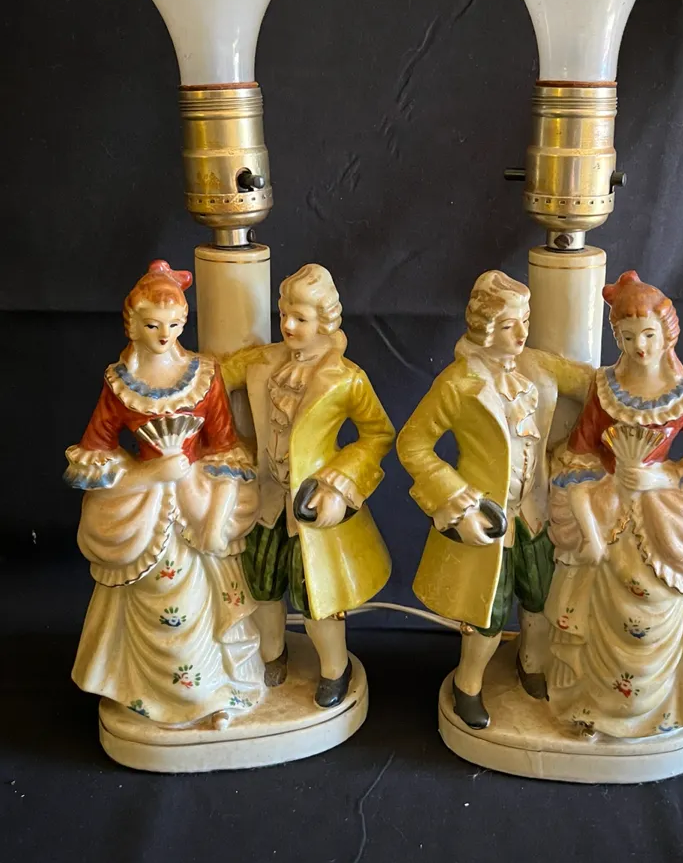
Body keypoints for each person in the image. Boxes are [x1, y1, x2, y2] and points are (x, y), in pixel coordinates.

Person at [545, 270, 683, 737]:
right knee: (597, 600)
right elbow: (579, 454)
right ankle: (590, 709)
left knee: (660, 599)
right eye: (629, 336)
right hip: (609, 505)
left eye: (649, 335)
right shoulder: (604, 388)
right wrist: (599, 494)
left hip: (660, 515)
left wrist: (663, 475)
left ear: (667, 334)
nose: (640, 347)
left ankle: (663, 710)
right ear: (616, 337)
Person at [65, 261, 262, 729]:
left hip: (196, 496)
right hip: (147, 505)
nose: (164, 335)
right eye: (153, 325)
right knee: (151, 596)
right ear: (132, 324)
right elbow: (95, 449)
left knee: (204, 599)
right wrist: (148, 474)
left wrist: (215, 513)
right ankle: (147, 694)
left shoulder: (203, 375)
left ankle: (216, 694)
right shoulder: (120, 383)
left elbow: (225, 446)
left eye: (174, 325)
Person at [397, 271, 592, 729]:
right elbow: (413, 443)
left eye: (525, 321)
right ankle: (468, 685)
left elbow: (596, 386)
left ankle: (532, 665)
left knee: (541, 597)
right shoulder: (459, 383)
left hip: (536, 511)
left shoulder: (538, 367)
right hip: (488, 516)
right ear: (485, 328)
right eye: (508, 325)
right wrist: (456, 499)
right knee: (487, 611)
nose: (521, 334)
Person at [221, 264, 394, 709]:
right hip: (267, 498)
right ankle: (271, 655)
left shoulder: (346, 378)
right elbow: (212, 377)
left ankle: (334, 669)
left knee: (318, 597)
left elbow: (378, 434)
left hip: (313, 505)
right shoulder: (261, 363)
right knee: (262, 584)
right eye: (284, 315)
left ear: (326, 320)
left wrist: (339, 483)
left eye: (300, 317)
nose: (288, 326)